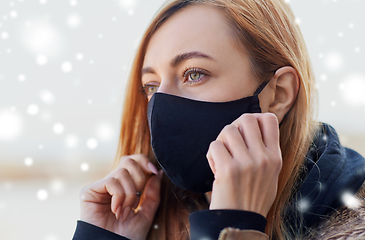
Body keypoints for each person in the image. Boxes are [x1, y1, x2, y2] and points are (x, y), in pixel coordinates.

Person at [72, 0, 365, 239]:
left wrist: (232, 227)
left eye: (194, 73)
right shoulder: (154, 217)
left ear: (278, 94)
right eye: (151, 86)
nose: (161, 104)